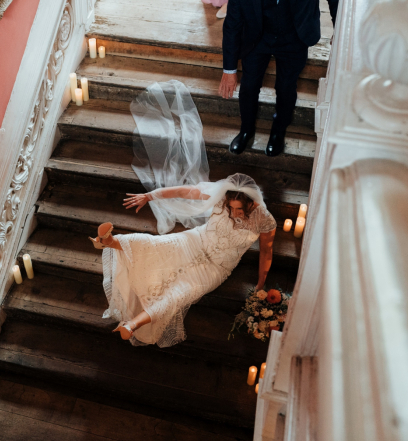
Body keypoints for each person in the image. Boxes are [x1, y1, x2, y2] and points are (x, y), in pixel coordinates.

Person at [89, 175, 277, 346]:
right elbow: (184, 191)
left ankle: (133, 324)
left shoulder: (265, 220)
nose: (234, 213)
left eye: (239, 209)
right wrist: (149, 196)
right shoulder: (221, 197)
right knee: (157, 244)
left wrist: (261, 283)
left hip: (217, 267)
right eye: (231, 207)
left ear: (252, 203)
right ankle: (111, 241)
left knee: (180, 293)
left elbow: (266, 252)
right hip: (194, 241)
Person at [219, 0, 338, 156]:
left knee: (286, 87)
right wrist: (229, 70)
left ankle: (278, 132)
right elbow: (232, 23)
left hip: (295, 34)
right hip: (258, 35)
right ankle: (246, 130)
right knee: (249, 85)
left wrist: (340, 29)